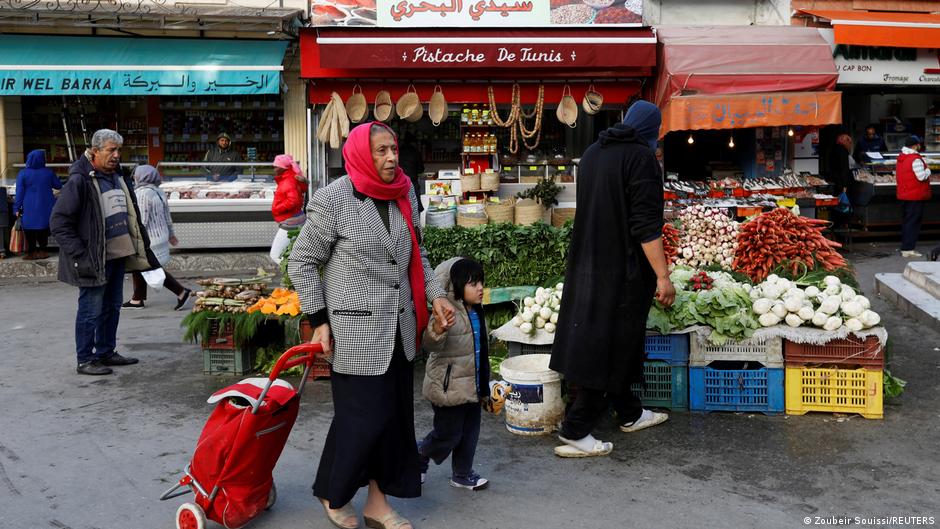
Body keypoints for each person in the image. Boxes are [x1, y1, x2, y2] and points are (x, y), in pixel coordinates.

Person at [288, 121, 453, 529]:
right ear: (362, 153)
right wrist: (319, 319)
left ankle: (377, 502)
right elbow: (303, 261)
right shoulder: (335, 199)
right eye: (381, 151)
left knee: (394, 419)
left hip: (400, 328)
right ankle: (333, 491)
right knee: (362, 419)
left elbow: (418, 254)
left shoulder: (404, 193)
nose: (391, 157)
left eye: (393, 149)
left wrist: (435, 295)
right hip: (356, 330)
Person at [549, 100, 676, 458]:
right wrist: (663, 276)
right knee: (609, 343)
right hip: (622, 270)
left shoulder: (591, 153)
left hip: (587, 261)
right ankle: (576, 429)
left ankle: (630, 412)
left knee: (614, 339)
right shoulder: (641, 160)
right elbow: (645, 226)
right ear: (652, 130)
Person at [50, 129, 155, 376]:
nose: (116, 155)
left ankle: (106, 351)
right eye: (111, 150)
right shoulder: (80, 180)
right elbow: (59, 222)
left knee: (112, 307)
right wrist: (80, 254)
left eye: (119, 150)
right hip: (93, 258)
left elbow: (132, 214)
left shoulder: (117, 177)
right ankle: (85, 359)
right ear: (95, 151)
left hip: (118, 255)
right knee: (90, 310)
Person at [417, 257, 490, 491]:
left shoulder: (477, 312)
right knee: (448, 435)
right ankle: (419, 453)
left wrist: (485, 387)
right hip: (448, 388)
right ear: (455, 286)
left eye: (481, 282)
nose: (480, 288)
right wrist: (438, 329)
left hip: (472, 387)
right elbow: (429, 345)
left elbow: (482, 352)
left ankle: (462, 473)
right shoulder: (445, 311)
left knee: (470, 434)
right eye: (472, 283)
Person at [121, 165, 193, 310]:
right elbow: (167, 216)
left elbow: (141, 220)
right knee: (140, 266)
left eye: (136, 175)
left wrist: (132, 237)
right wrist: (171, 234)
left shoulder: (142, 194)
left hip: (149, 238)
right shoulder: (158, 191)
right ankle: (137, 299)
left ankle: (181, 292)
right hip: (160, 235)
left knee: (151, 268)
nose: (135, 177)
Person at [13, 149, 61, 260]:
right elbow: (58, 186)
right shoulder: (49, 172)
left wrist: (16, 207)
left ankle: (32, 252)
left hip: (28, 205)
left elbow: (19, 192)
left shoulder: (23, 173)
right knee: (43, 227)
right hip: (46, 204)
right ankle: (43, 251)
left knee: (29, 228)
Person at [896, 135, 932, 258]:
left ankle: (905, 247)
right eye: (918, 144)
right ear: (915, 145)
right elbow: (921, 176)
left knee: (907, 221)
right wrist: (928, 170)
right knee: (913, 223)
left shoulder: (902, 157)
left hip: (905, 195)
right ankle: (908, 249)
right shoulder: (915, 159)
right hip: (915, 195)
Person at [269, 154, 308, 263]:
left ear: (283, 168)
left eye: (276, 166)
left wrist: (277, 208)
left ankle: (294, 275)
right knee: (292, 252)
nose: (274, 169)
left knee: (275, 255)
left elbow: (293, 200)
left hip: (290, 222)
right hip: (297, 218)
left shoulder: (288, 181)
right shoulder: (291, 177)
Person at [397, 132, 425, 213]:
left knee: (401, 208)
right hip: (412, 183)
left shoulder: (398, 152)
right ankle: (416, 225)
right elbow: (421, 170)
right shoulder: (415, 152)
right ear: (414, 143)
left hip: (399, 183)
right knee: (416, 208)